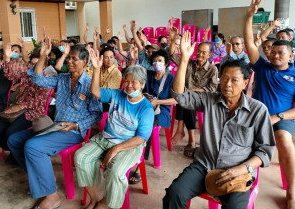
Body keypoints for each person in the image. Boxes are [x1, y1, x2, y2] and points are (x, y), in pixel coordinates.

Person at [162, 31, 275, 209]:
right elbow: (180, 96)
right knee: (174, 195)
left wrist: (243, 168)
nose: (228, 84)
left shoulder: (258, 110)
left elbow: (265, 150)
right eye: (224, 78)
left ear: (246, 83)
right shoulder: (209, 99)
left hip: (236, 171)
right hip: (204, 165)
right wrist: (184, 59)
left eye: (235, 80)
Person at [7, 40, 102, 209]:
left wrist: (75, 125)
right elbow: (36, 78)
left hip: (73, 131)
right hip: (55, 126)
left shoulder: (90, 85)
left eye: (74, 59)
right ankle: (41, 181)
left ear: (85, 62)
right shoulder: (62, 79)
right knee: (14, 140)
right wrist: (43, 56)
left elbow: (97, 114)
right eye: (69, 59)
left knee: (33, 146)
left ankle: (52, 196)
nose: (70, 62)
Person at [74, 54, 154, 209]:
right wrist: (96, 69)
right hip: (105, 138)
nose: (129, 85)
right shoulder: (117, 94)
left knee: (115, 172)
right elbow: (95, 92)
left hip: (129, 145)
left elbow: (141, 138)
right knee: (81, 157)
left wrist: (116, 149)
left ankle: (107, 203)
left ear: (143, 84)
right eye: (127, 81)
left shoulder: (146, 109)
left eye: (134, 82)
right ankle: (95, 198)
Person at [244, 0, 295, 209]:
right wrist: (249, 16)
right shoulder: (263, 68)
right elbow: (249, 42)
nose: (274, 55)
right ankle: (241, 184)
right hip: (256, 118)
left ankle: (292, 190)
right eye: (272, 51)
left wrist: (278, 117)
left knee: (283, 138)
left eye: (280, 52)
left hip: (282, 119)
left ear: (291, 55)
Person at [0, 47, 54, 163]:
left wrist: (20, 106)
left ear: (44, 66)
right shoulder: (26, 75)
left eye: (38, 64)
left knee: (10, 132)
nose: (34, 68)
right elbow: (10, 75)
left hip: (33, 112)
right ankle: (14, 150)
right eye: (32, 64)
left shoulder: (47, 80)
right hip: (17, 109)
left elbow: (38, 101)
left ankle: (17, 155)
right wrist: (7, 59)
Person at [129, 49, 177, 184]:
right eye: (155, 61)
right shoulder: (148, 75)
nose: (157, 63)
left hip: (161, 112)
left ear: (166, 63)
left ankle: (140, 164)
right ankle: (128, 152)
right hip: (144, 108)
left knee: (146, 126)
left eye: (160, 61)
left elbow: (176, 100)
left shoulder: (171, 79)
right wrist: (133, 60)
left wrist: (157, 102)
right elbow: (132, 77)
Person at [169, 29, 218, 157]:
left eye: (204, 52)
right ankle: (186, 134)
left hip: (203, 98)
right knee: (183, 97)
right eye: (198, 51)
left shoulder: (212, 69)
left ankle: (187, 135)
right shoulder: (189, 63)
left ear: (209, 55)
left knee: (188, 99)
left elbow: (212, 89)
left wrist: (193, 91)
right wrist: (174, 41)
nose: (200, 54)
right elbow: (172, 55)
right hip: (187, 96)